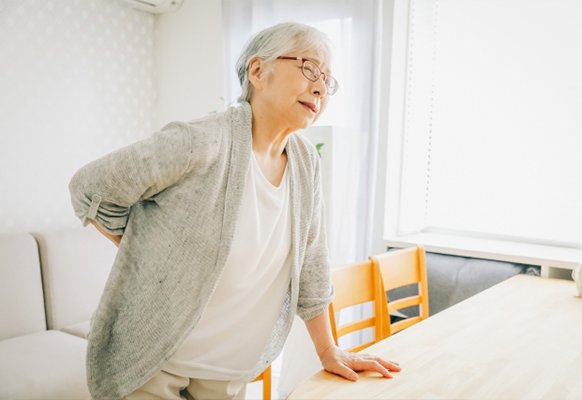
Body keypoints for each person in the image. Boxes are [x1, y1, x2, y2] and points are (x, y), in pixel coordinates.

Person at [68, 21, 401, 400]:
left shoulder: (306, 161)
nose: (321, 86)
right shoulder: (201, 142)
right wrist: (150, 251)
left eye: (328, 79)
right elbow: (90, 186)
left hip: (228, 372)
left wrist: (328, 350)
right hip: (153, 361)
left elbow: (311, 261)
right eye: (309, 67)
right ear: (258, 71)